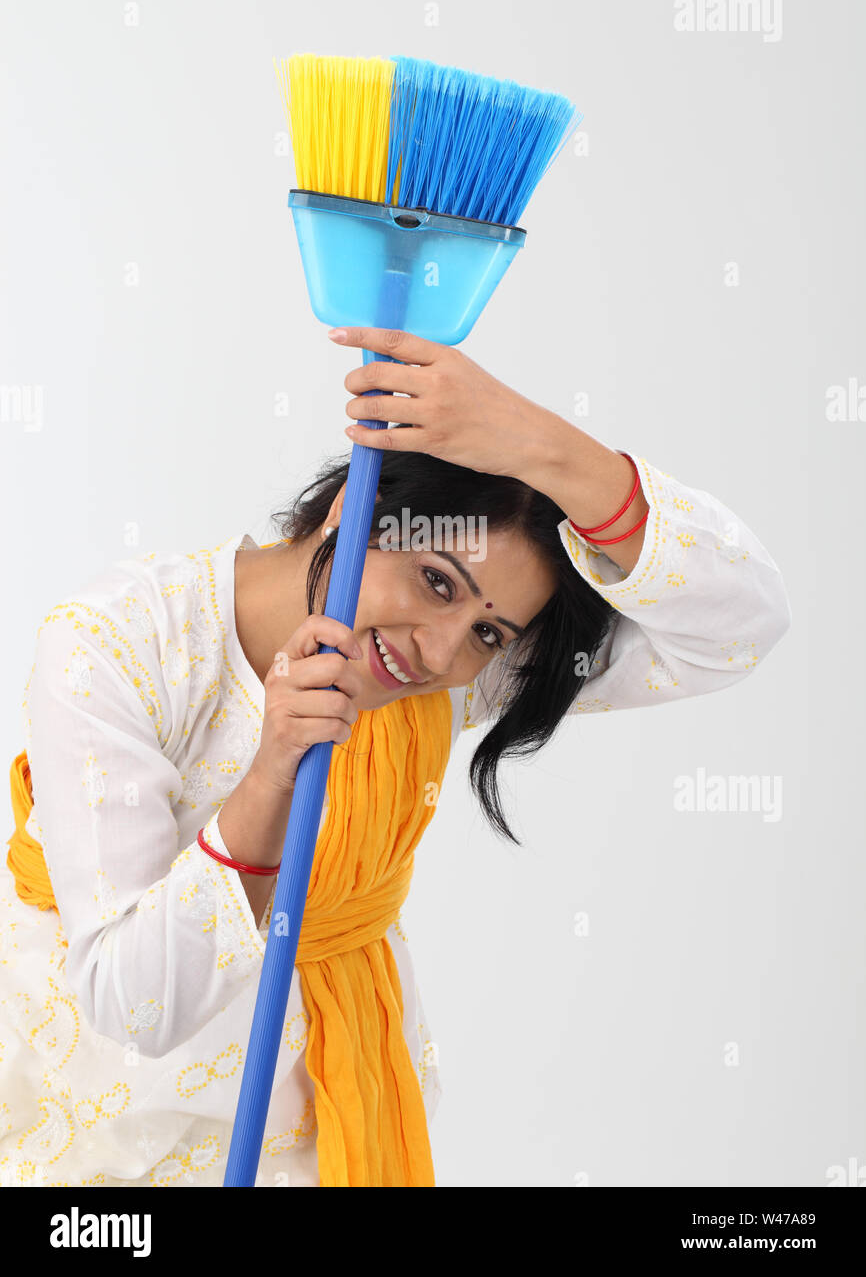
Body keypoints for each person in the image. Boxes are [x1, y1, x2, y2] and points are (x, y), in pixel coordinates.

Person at [0, 327, 791, 1187]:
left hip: (324, 1123)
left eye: (491, 633)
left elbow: (741, 629)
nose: (440, 651)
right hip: (93, 1129)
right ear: (349, 510)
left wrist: (547, 446)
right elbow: (134, 1003)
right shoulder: (117, 643)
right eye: (436, 580)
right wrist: (271, 773)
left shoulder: (444, 678)